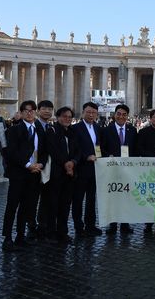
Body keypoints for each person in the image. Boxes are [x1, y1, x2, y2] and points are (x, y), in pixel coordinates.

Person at [1, 100, 47, 252]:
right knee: (12, 206)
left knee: (27, 207)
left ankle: (20, 236)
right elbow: (10, 152)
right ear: (20, 113)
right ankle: (7, 238)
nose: (29, 113)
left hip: (34, 174)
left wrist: (40, 164)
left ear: (35, 112)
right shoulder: (13, 130)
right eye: (26, 110)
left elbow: (44, 151)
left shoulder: (40, 130)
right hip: (19, 174)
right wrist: (28, 165)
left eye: (32, 110)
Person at [44, 106, 80, 244]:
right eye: (64, 116)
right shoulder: (52, 131)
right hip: (56, 173)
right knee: (53, 204)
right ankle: (50, 232)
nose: (67, 119)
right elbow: (53, 150)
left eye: (70, 117)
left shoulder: (72, 132)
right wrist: (66, 163)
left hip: (70, 174)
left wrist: (73, 162)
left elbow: (78, 150)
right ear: (58, 117)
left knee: (65, 204)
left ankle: (63, 232)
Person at [101, 103, 137, 234]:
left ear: (127, 116)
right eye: (119, 114)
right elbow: (102, 148)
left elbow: (135, 149)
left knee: (126, 197)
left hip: (127, 170)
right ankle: (112, 224)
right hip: (111, 169)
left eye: (124, 115)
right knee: (113, 197)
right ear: (114, 115)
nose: (121, 117)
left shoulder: (132, 130)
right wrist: (107, 156)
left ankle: (125, 224)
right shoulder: (106, 130)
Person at [72, 102, 103, 238]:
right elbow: (75, 148)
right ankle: (79, 227)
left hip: (95, 169)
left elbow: (98, 146)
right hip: (81, 168)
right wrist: (85, 157)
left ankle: (90, 225)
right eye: (88, 112)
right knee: (78, 199)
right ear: (83, 112)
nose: (91, 115)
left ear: (96, 114)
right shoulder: (76, 128)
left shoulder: (97, 127)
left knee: (91, 199)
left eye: (93, 113)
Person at [31, 100, 55, 238]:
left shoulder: (52, 127)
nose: (47, 111)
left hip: (48, 169)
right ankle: (31, 224)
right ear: (38, 110)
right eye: (44, 109)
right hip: (35, 168)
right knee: (32, 199)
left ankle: (42, 224)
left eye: (49, 109)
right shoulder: (34, 126)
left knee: (46, 198)